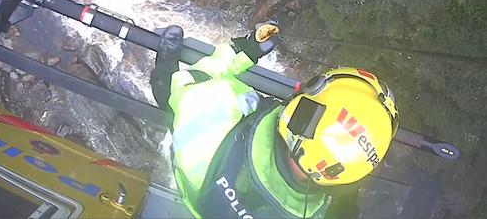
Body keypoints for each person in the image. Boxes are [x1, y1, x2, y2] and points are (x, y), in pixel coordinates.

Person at [150, 24, 399, 219]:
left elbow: (202, 77)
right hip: (199, 197)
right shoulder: (320, 212)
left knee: (178, 88)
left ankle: (162, 77)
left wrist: (246, 49)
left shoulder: (220, 106)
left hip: (194, 182)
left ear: (302, 110)